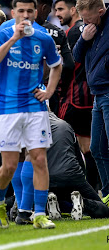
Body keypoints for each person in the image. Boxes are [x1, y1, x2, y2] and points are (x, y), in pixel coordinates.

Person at [0, 0, 62, 229]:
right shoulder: (3, 33)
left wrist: (48, 91)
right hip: (8, 108)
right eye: (21, 11)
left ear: (36, 12)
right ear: (13, 12)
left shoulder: (43, 37)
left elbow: (57, 65)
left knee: (39, 158)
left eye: (30, 11)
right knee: (9, 166)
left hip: (35, 106)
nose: (26, 15)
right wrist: (14, 39)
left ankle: (39, 214)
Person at [54, 0, 100, 193]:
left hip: (74, 97)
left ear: (74, 10)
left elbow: (71, 64)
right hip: (89, 95)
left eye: (61, 9)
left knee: (77, 146)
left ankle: (87, 190)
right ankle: (95, 188)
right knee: (89, 146)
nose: (57, 13)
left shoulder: (73, 32)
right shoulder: (91, 27)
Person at [73, 0, 109, 199]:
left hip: (107, 90)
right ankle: (108, 193)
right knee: (96, 148)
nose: (85, 23)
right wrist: (84, 39)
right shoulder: (90, 28)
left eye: (87, 19)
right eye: (83, 20)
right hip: (98, 94)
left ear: (101, 11)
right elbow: (77, 56)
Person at [36, 0, 75, 116]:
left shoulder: (15, 29)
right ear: (44, 8)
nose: (53, 14)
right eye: (51, 10)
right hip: (52, 91)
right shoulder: (58, 32)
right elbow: (69, 65)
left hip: (22, 91)